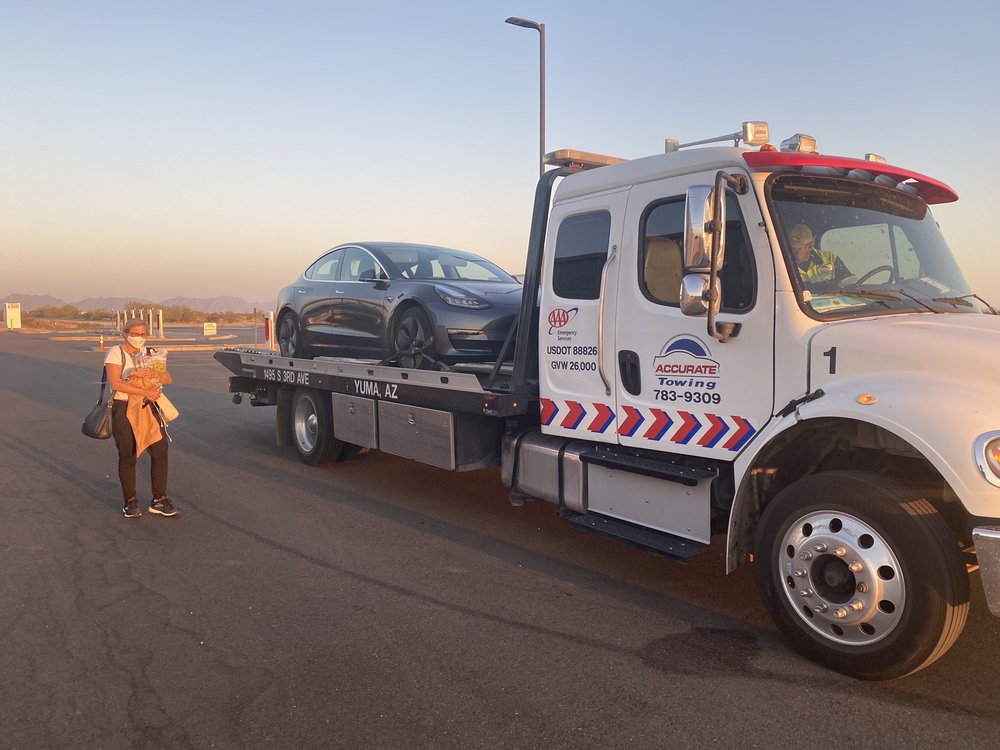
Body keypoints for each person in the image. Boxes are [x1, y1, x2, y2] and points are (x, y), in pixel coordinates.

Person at [104, 318, 180, 519]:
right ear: (125, 333)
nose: (139, 338)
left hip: (149, 407)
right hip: (124, 407)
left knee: (160, 450)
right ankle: (130, 501)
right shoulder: (116, 353)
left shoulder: (150, 354)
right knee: (128, 454)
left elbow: (168, 379)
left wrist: (156, 370)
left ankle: (159, 499)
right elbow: (115, 383)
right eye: (135, 334)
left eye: (143, 334)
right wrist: (142, 390)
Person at [788, 223, 854, 291]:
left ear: (809, 246)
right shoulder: (783, 264)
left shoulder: (830, 259)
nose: (791, 253)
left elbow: (851, 285)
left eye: (796, 250)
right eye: (789, 248)